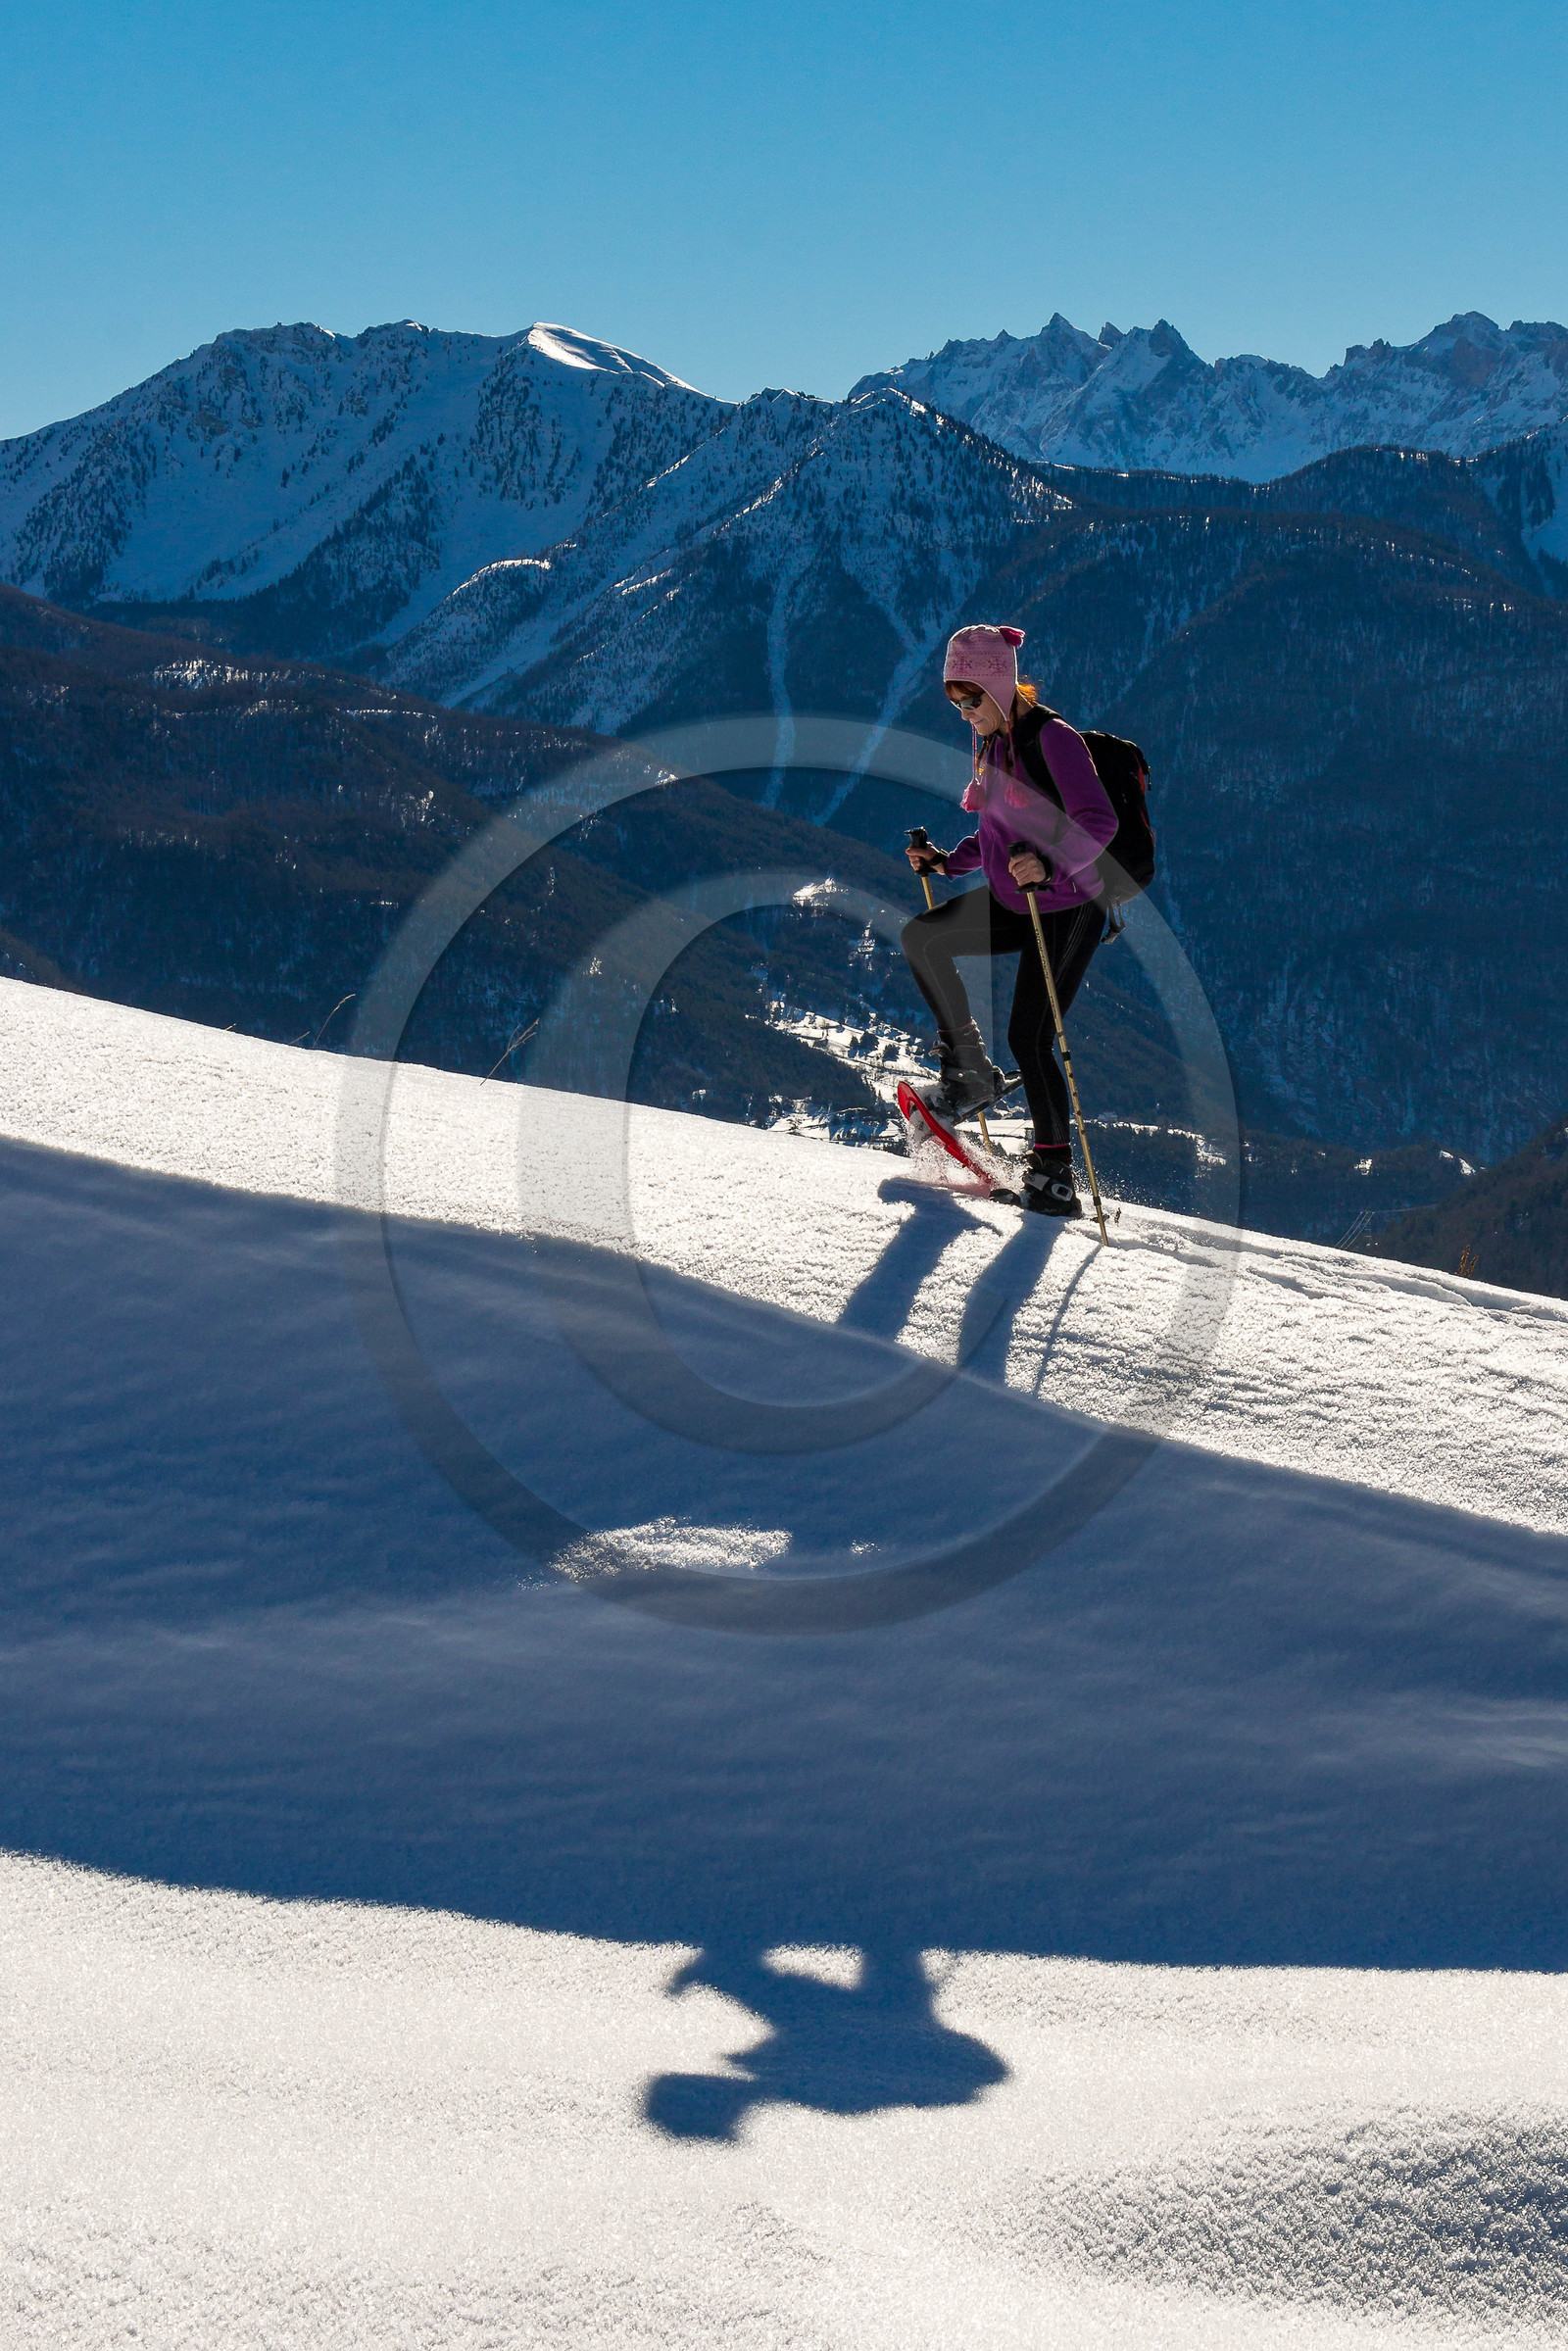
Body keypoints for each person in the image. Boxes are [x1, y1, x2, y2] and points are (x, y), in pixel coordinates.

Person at [902, 623, 1117, 1217]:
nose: (965, 713)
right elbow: (997, 832)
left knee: (1030, 1035)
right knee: (924, 938)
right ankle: (969, 1073)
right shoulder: (996, 744)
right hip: (1015, 899)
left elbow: (1100, 822)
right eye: (955, 702)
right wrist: (948, 862)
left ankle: (1053, 1174)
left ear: (998, 686)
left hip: (1067, 906)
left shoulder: (1054, 740)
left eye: (971, 699)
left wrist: (1049, 862)